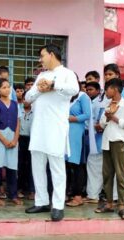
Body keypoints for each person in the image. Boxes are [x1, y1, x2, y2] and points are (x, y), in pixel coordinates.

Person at [25, 43, 78, 221]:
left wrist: (54, 85)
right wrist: (40, 89)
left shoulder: (67, 74)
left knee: (57, 168)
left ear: (52, 55)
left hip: (56, 128)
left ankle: (58, 205)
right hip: (39, 127)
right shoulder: (41, 75)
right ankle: (41, 201)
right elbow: (27, 97)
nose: (40, 60)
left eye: (42, 56)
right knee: (37, 166)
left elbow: (74, 90)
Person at [95, 78, 124, 220]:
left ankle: (122, 205)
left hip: (119, 141)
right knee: (107, 173)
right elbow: (101, 124)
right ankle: (110, 203)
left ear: (115, 89)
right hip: (107, 141)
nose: (106, 92)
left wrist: (114, 118)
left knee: (120, 173)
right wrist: (107, 117)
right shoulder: (107, 104)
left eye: (108, 89)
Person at [0, 78, 22, 206]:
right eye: (4, 87)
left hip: (13, 138)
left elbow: (18, 123)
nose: (7, 89)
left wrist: (15, 139)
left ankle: (13, 195)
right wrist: (3, 139)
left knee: (12, 168)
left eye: (9, 87)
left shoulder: (15, 104)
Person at [65, 82, 91, 207]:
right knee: (65, 164)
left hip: (77, 133)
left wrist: (72, 119)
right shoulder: (64, 96)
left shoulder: (83, 97)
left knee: (77, 165)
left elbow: (87, 115)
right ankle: (66, 193)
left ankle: (78, 196)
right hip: (64, 134)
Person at [17, 92, 34, 200]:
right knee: (20, 165)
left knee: (32, 166)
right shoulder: (18, 110)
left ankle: (32, 191)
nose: (26, 101)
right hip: (20, 139)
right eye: (24, 99)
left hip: (32, 140)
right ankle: (20, 189)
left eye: (28, 99)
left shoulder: (36, 112)